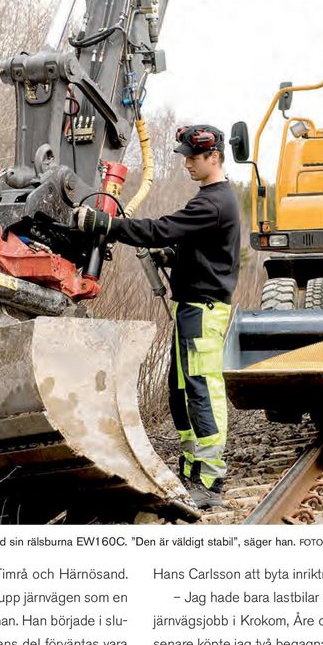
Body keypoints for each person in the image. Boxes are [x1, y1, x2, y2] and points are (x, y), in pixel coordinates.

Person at [74, 124, 241, 510]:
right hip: (191, 309)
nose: (186, 164)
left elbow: (159, 229)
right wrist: (176, 257)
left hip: (203, 311)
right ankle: (190, 467)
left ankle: (210, 480)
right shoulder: (212, 201)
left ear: (213, 157)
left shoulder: (214, 202)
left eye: (192, 158)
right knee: (180, 390)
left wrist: (106, 225)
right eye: (184, 157)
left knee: (202, 388)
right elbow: (202, 249)